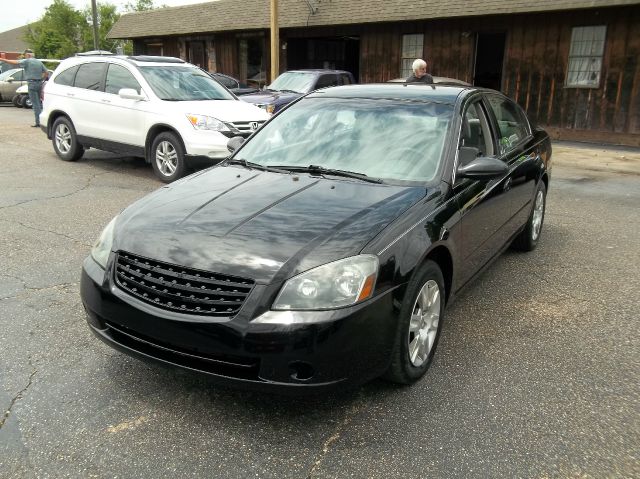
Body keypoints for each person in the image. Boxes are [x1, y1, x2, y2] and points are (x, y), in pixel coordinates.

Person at [3, 49, 47, 127]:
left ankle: (38, 122)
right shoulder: (39, 62)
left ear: (28, 55)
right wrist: (41, 79)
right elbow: (46, 72)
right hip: (39, 83)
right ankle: (42, 121)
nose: (25, 57)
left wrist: (3, 59)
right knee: (39, 103)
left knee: (35, 104)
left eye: (25, 55)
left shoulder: (27, 61)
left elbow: (14, 62)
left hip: (31, 83)